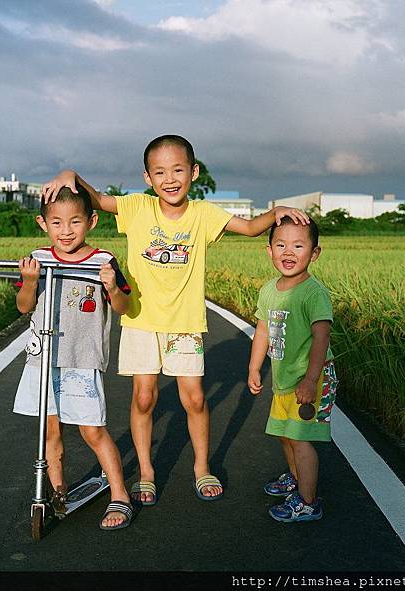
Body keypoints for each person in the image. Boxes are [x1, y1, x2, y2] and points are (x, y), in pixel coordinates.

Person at [42, 134, 308, 505]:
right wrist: (72, 173)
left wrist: (276, 213)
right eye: (160, 172)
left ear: (194, 172)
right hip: (139, 320)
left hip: (184, 323)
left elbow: (248, 228)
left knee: (195, 399)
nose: (170, 178)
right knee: (145, 396)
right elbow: (99, 200)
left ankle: (202, 466)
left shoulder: (202, 214)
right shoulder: (137, 208)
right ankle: (147, 472)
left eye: (178, 170)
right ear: (148, 177)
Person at [13, 184, 133, 530]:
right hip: (43, 358)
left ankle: (120, 494)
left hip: (81, 358)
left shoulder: (102, 261)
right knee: (49, 431)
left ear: (91, 222)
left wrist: (111, 287)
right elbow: (24, 307)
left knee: (92, 431)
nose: (66, 231)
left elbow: (124, 307)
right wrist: (30, 282)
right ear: (43, 223)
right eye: (57, 223)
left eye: (75, 222)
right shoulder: (38, 258)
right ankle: (58, 492)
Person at [248, 216, 337, 522]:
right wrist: (254, 367)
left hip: (311, 378)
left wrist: (311, 379)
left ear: (314, 253)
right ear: (269, 250)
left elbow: (322, 336)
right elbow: (262, 329)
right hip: (284, 379)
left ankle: (308, 502)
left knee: (300, 438)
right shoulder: (269, 289)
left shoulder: (313, 293)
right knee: (285, 435)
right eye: (280, 244)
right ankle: (296, 478)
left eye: (298, 246)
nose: (288, 252)